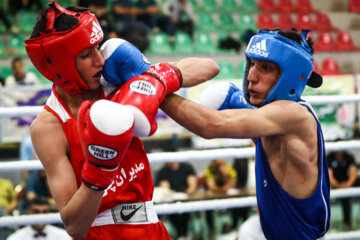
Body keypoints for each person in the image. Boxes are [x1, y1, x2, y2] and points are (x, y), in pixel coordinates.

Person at [24, 1, 219, 239]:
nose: (99, 60)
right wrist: (99, 170)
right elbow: (74, 226)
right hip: (101, 233)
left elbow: (209, 67)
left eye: (97, 48)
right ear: (60, 65)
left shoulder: (115, 81)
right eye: (86, 55)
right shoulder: (49, 126)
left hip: (151, 226)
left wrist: (151, 76)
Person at [160, 28, 330, 239]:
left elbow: (209, 125)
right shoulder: (268, 116)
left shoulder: (293, 115)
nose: (251, 76)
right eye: (251, 64)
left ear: (293, 75)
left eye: (265, 67)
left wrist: (153, 84)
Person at [156, 161, 197, 239]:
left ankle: (185, 233)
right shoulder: (163, 171)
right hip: (172, 198)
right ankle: (180, 234)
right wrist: (171, 195)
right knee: (171, 208)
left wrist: (186, 195)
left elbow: (192, 186)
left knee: (184, 208)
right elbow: (165, 188)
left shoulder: (186, 167)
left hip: (186, 197)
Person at [7, 197, 72, 240]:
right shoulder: (15, 238)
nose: (41, 216)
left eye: (45, 212)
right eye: (36, 212)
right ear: (27, 213)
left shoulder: (63, 236)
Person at [204, 158, 237, 234]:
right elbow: (211, 187)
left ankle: (234, 228)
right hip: (214, 197)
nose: (218, 160)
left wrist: (224, 174)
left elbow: (232, 186)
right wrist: (224, 189)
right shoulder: (209, 169)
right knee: (207, 208)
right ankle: (211, 230)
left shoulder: (229, 168)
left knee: (238, 205)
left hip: (228, 197)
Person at [327, 149, 358, 230]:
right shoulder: (329, 158)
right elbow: (329, 176)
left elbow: (353, 172)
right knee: (323, 194)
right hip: (332, 184)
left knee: (346, 196)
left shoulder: (348, 157)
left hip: (346, 182)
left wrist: (348, 184)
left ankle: (347, 224)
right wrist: (339, 186)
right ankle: (323, 224)